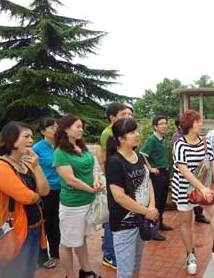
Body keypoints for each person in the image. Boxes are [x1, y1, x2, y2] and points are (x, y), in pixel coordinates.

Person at [171, 110, 214, 275]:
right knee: (186, 222)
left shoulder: (205, 142)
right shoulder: (180, 144)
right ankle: (190, 254)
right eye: (198, 121)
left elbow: (213, 162)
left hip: (204, 187)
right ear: (189, 125)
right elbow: (184, 170)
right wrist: (202, 187)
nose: (201, 124)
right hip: (184, 189)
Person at [0, 122, 49, 278]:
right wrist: (37, 195)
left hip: (35, 227)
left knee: (29, 271)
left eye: (32, 137)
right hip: (14, 231)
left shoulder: (26, 164)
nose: (31, 141)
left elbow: (45, 190)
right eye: (26, 136)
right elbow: (26, 197)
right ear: (12, 139)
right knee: (14, 272)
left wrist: (37, 166)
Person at [104, 118, 158, 278]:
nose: (137, 134)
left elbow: (147, 181)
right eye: (132, 132)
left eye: (136, 131)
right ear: (121, 139)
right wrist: (147, 212)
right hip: (124, 223)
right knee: (125, 272)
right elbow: (119, 197)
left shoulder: (138, 156)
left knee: (135, 267)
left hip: (141, 220)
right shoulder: (114, 162)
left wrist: (151, 207)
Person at [52, 114, 104, 278]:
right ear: (66, 129)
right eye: (78, 127)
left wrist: (96, 181)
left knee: (80, 238)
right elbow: (70, 180)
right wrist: (90, 190)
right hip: (73, 205)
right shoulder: (60, 152)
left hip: (88, 201)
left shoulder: (82, 147)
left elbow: (93, 168)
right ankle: (70, 275)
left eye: (82, 127)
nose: (81, 130)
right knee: (67, 242)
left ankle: (86, 271)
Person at [98, 102, 133, 270]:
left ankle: (112, 249)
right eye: (123, 114)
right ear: (112, 117)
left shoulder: (120, 131)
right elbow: (105, 159)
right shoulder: (108, 133)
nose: (127, 117)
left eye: (129, 114)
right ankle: (109, 254)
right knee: (112, 217)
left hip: (122, 179)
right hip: (115, 181)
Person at [33, 117, 61, 269]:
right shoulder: (37, 148)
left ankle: (56, 253)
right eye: (51, 127)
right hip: (46, 191)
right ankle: (44, 256)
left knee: (57, 222)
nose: (55, 129)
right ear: (43, 131)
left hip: (62, 189)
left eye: (56, 126)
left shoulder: (61, 145)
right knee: (48, 223)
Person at [139, 115, 172, 240]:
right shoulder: (152, 139)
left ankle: (160, 223)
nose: (164, 125)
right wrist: (150, 168)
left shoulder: (163, 139)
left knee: (162, 200)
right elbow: (142, 154)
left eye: (165, 123)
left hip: (164, 172)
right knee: (156, 201)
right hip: (157, 174)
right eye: (161, 124)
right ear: (155, 126)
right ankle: (153, 230)